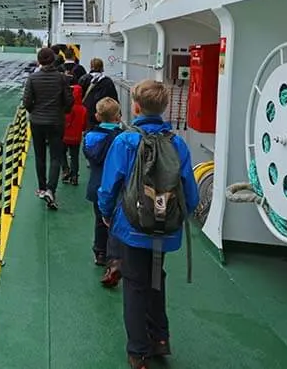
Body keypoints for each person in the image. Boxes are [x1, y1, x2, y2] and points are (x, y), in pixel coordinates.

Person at [97, 79, 199, 369]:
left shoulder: (126, 141)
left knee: (135, 284)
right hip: (164, 228)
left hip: (132, 228)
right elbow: (189, 191)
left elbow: (109, 187)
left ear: (136, 107)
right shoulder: (177, 143)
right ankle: (160, 340)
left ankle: (138, 351)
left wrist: (107, 214)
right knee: (157, 277)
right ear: (164, 108)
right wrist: (175, 217)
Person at [22, 47, 73, 210]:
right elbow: (69, 101)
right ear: (53, 60)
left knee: (40, 155)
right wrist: (61, 112)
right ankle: (51, 189)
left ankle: (42, 188)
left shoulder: (32, 78)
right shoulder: (62, 78)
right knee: (56, 157)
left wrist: (35, 112)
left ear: (39, 61)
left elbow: (26, 102)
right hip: (56, 122)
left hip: (37, 122)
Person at [82, 96, 124, 285]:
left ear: (98, 116)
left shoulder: (90, 137)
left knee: (100, 220)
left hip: (96, 185)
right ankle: (114, 259)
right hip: (118, 187)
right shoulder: (122, 138)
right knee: (116, 222)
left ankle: (99, 252)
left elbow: (89, 157)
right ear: (118, 116)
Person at [79, 57, 119, 131]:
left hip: (88, 110)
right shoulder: (108, 81)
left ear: (91, 66)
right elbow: (114, 97)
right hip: (104, 111)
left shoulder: (84, 79)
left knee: (89, 130)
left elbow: (79, 95)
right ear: (102, 67)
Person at [60, 84, 87, 186]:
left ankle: (65, 169)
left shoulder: (64, 106)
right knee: (74, 156)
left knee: (62, 153)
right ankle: (74, 176)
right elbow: (84, 126)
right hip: (76, 137)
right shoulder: (83, 109)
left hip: (64, 136)